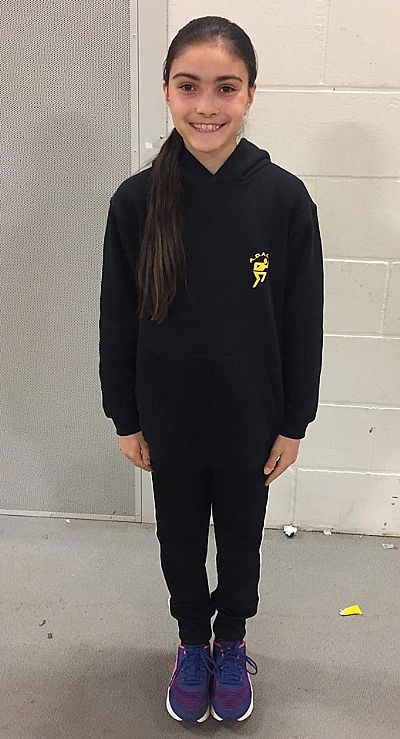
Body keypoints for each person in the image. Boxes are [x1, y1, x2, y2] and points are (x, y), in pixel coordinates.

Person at [99, 15, 324, 724]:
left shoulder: (284, 199)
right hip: (168, 417)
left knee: (241, 538)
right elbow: (116, 318)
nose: (206, 106)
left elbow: (302, 319)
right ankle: (192, 640)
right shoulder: (136, 202)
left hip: (250, 418)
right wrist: (125, 416)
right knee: (178, 538)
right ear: (166, 91)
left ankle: (232, 639)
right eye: (188, 86)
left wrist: (294, 421)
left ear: (250, 93)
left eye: (226, 87)